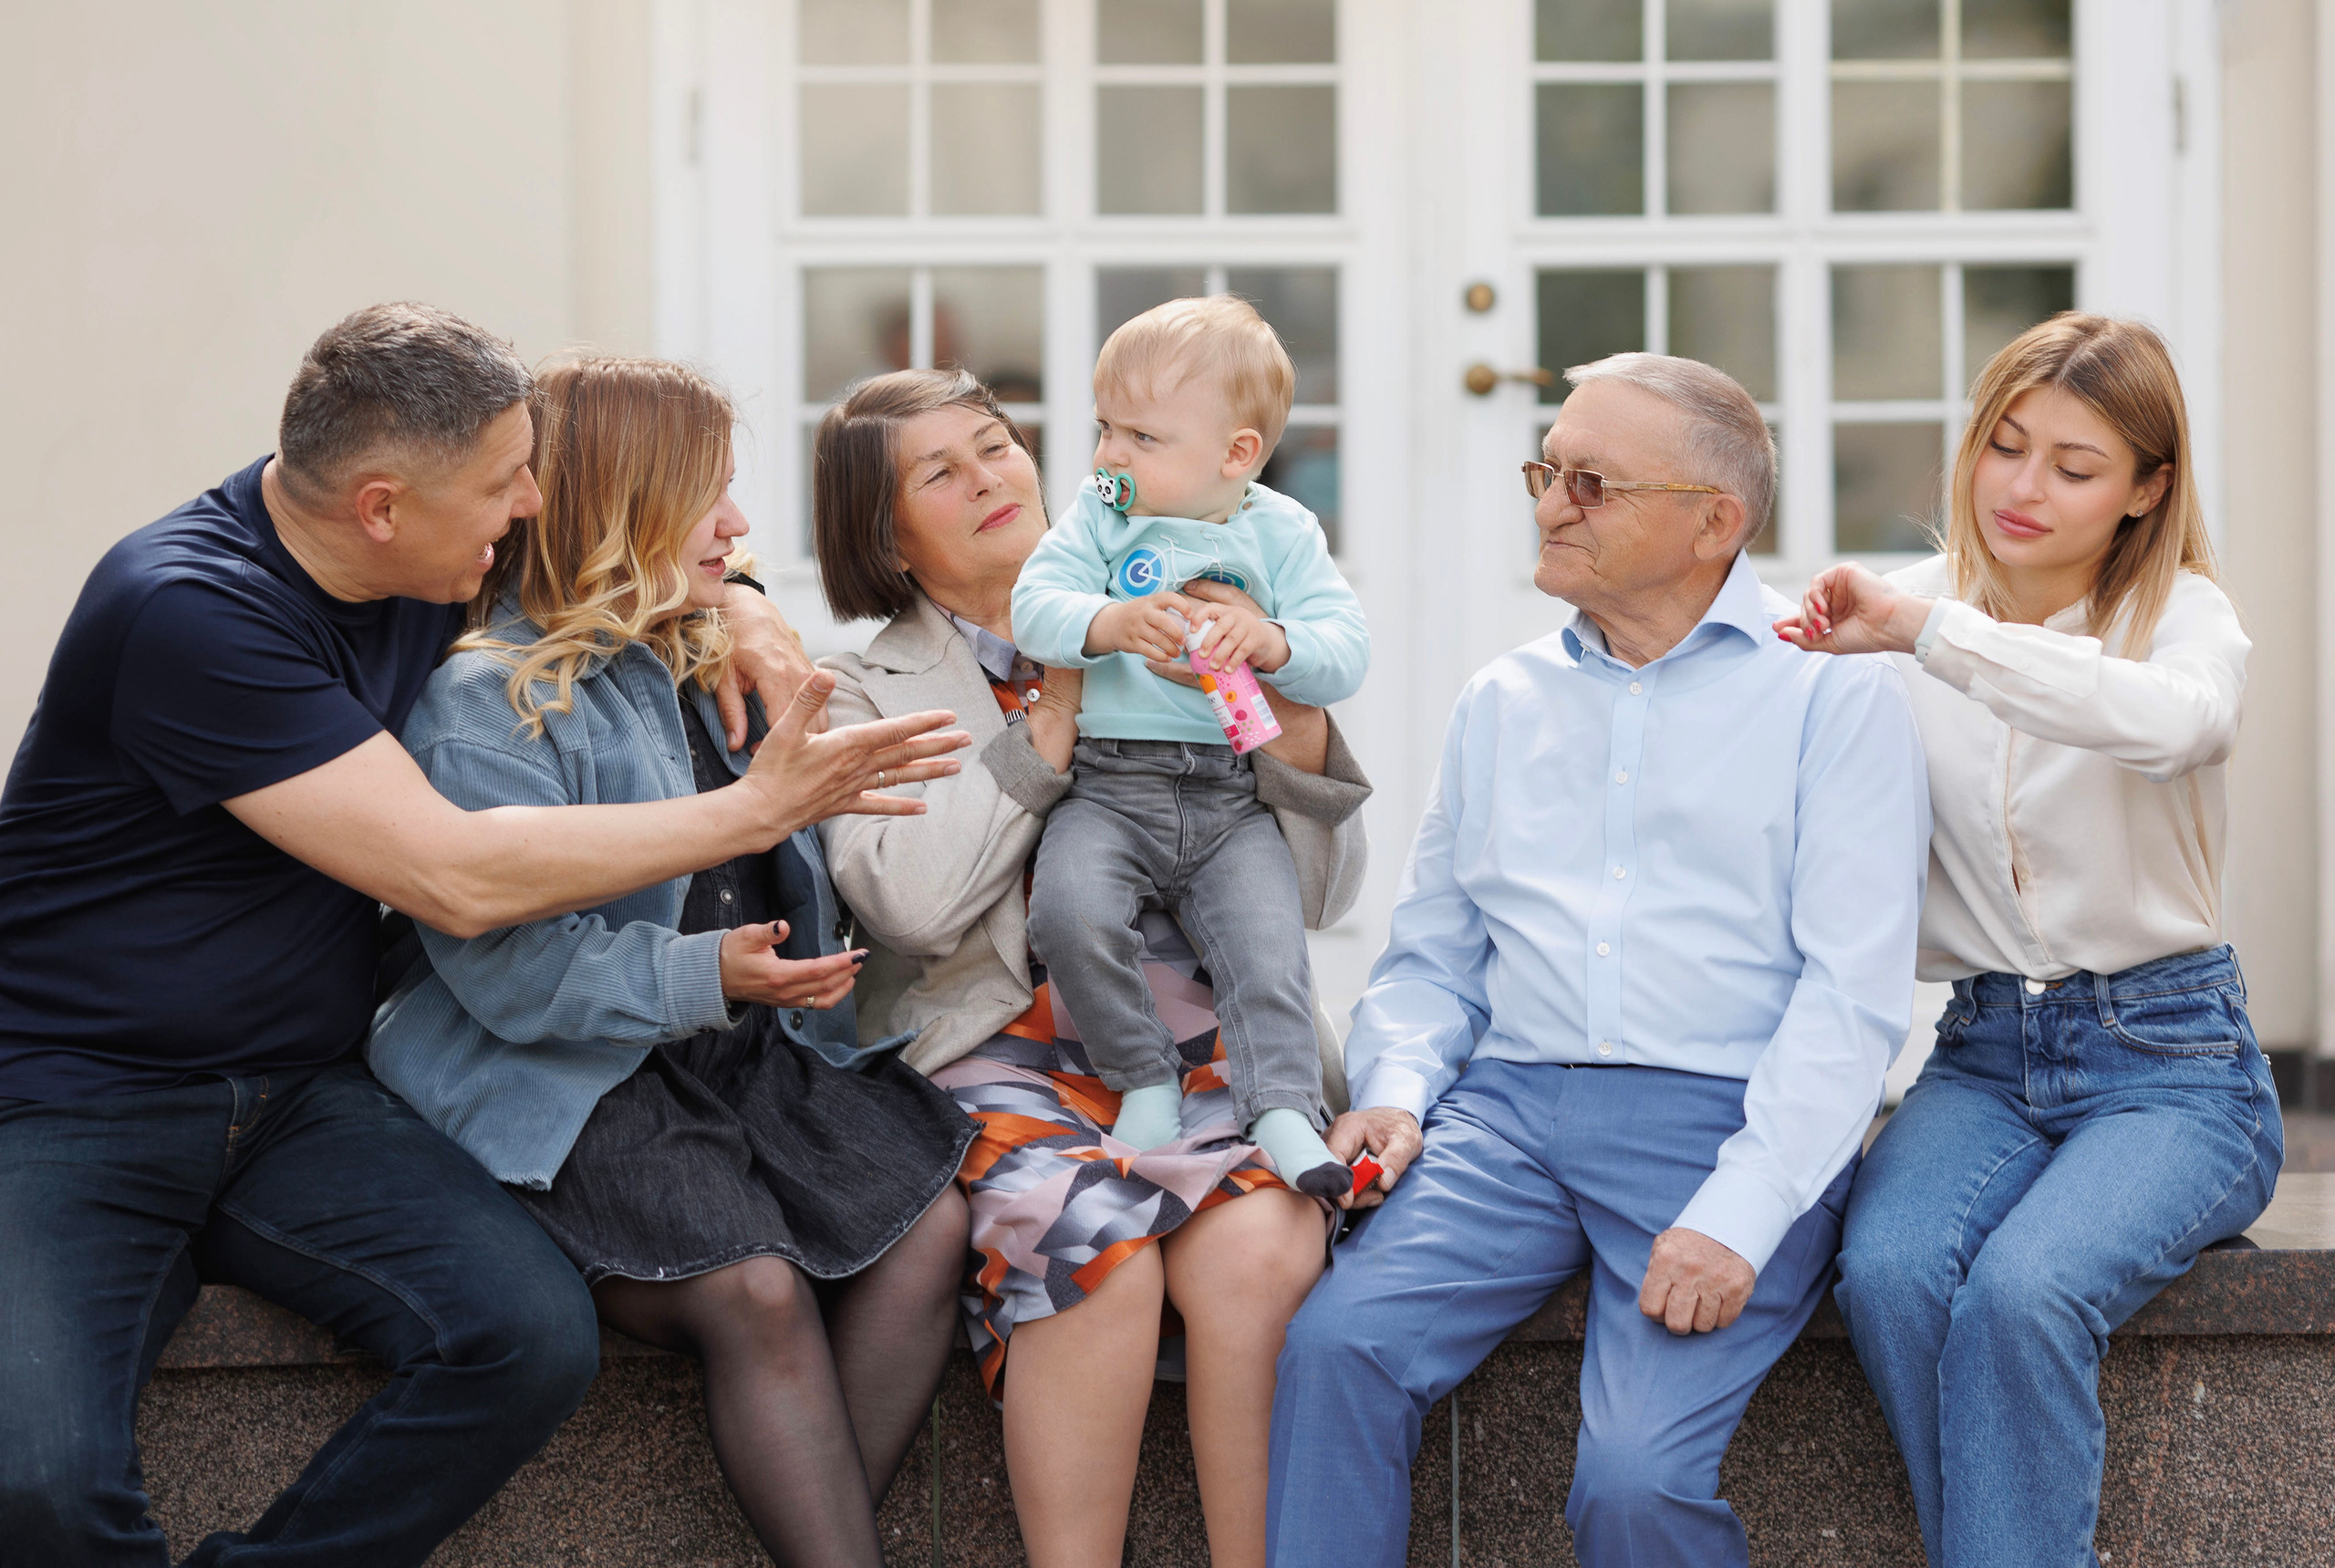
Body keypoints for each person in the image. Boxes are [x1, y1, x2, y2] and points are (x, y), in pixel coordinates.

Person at [0, 303, 967, 1568]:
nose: (530, 504)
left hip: (300, 1093)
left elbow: (641, 552)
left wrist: (752, 620)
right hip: (82, 1099)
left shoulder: (425, 559)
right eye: (508, 484)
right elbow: (453, 878)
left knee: (526, 1338)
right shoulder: (186, 611)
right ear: (383, 504)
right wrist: (751, 807)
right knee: (43, 1487)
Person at [1266, 352, 1931, 1568]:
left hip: (1724, 1116)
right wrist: (1399, 1090)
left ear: (1712, 522)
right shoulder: (1502, 698)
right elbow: (1432, 954)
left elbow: (1852, 995)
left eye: (1592, 480)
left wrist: (1743, 1208)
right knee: (1332, 1350)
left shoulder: (1833, 700)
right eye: (1547, 468)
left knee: (1634, 1479)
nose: (1550, 500)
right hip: (1503, 1117)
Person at [366, 355, 977, 1568]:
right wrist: (713, 974)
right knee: (753, 1289)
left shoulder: (702, 655)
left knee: (930, 1227)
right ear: (623, 507)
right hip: (576, 1077)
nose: (740, 528)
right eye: (711, 500)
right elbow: (511, 978)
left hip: (740, 1055)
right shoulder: (489, 703)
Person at [810, 367, 1371, 1568]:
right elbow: (909, 907)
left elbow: (1324, 890)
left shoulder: (1181, 575)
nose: (989, 479)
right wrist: (1052, 716)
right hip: (1014, 1049)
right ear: (884, 532)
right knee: (1090, 1243)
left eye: (996, 445)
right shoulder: (861, 686)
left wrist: (1280, 700)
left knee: (1266, 1246)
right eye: (939, 473)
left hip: (1224, 1036)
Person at [1776, 313, 2283, 1568]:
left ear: (2144, 489)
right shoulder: (1897, 612)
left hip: (2175, 1062)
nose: (2023, 487)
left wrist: (1931, 637)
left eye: (2075, 464)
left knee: (2022, 1292)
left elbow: (2176, 725)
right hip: (1987, 1049)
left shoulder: (2180, 613)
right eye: (2005, 446)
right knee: (1890, 1271)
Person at [1010, 296, 1370, 1192]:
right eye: (1103, 429)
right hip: (1110, 785)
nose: (1107, 457)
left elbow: (1343, 649)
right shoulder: (1098, 522)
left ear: (1235, 454)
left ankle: (1283, 1108)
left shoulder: (1281, 532)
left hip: (1228, 793)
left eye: (1140, 438)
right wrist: (1109, 621)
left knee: (1267, 950)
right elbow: (1035, 606)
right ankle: (1142, 1078)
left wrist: (1275, 643)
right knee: (1067, 915)